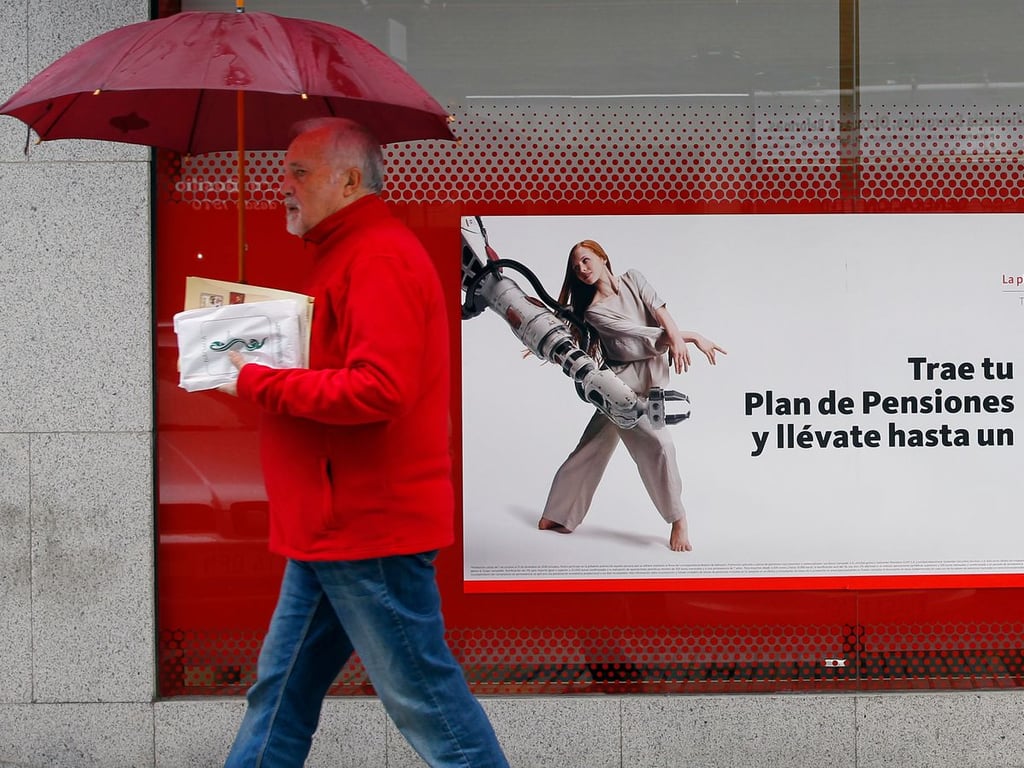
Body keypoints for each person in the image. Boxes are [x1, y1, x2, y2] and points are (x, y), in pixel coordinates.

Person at [218, 117, 509, 768]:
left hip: (365, 527)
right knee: (281, 695)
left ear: (349, 180)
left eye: (298, 171)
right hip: (331, 524)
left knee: (428, 705)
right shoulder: (350, 252)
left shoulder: (376, 255)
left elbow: (379, 390)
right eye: (284, 170)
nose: (282, 185)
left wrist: (261, 380)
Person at [537, 239, 725, 552]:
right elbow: (637, 335)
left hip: (651, 380)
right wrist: (690, 337)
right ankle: (678, 519)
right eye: (575, 267)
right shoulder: (595, 310)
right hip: (619, 383)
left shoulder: (634, 278)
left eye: (585, 260)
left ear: (601, 256)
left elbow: (659, 310)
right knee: (657, 444)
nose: (582, 269)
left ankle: (560, 514)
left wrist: (678, 335)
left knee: (599, 445)